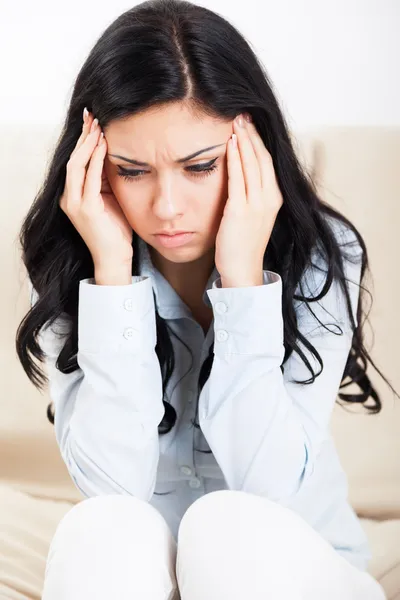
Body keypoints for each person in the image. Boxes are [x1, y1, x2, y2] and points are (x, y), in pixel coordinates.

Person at [15, 0, 395, 598]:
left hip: (294, 566)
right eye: (132, 170)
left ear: (254, 149)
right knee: (100, 526)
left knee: (225, 528)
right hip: (153, 580)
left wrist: (243, 277)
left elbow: (265, 492)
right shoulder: (73, 261)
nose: (167, 207)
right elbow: (112, 485)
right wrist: (113, 276)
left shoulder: (323, 252)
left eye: (200, 166)